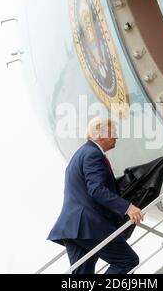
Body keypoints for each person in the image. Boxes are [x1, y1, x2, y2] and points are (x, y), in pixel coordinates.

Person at [47, 117, 143, 274]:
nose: (116, 137)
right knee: (127, 261)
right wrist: (127, 207)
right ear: (103, 134)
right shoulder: (93, 154)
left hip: (73, 227)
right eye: (114, 133)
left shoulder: (81, 153)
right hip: (88, 225)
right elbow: (96, 189)